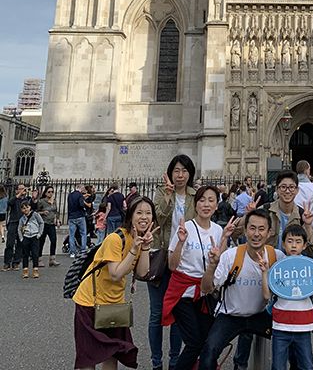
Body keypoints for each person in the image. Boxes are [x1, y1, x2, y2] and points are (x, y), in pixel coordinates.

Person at [72, 196, 156, 370]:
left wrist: (145, 247)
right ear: (130, 215)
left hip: (114, 303)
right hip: (90, 302)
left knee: (112, 354)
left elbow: (142, 272)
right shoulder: (115, 238)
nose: (144, 217)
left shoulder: (138, 239)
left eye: (148, 213)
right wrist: (134, 249)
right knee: (88, 358)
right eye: (139, 212)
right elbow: (115, 274)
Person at [201, 210, 285, 370]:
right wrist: (212, 266)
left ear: (269, 233)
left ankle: (241, 364)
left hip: (261, 314)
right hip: (231, 315)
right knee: (209, 352)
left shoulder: (277, 257)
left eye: (261, 229)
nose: (256, 234)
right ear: (245, 231)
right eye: (252, 228)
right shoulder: (230, 256)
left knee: (292, 341)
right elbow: (206, 289)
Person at [162, 185, 235, 370]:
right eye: (202, 200)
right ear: (195, 205)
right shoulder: (185, 227)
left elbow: (219, 262)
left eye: (211, 200)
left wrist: (225, 238)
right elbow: (172, 266)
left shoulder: (218, 230)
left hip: (204, 293)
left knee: (207, 341)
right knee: (194, 343)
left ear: (217, 205)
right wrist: (180, 242)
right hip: (183, 293)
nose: (206, 204)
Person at [258, 223, 313, 370]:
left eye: (298, 241)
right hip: (280, 324)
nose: (294, 245)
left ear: (304, 245)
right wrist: (265, 272)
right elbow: (266, 295)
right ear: (283, 244)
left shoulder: (309, 267)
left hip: (303, 325)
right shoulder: (278, 267)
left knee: (307, 365)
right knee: (278, 366)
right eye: (290, 241)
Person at [150, 154, 196, 370]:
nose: (180, 175)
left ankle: (175, 361)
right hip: (161, 258)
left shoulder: (195, 196)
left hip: (183, 261)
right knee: (156, 313)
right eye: (176, 170)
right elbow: (158, 219)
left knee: (178, 313)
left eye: (184, 171)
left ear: (190, 173)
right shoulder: (161, 193)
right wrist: (168, 196)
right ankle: (156, 362)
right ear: (170, 173)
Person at [3, 183, 31, 270]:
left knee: (20, 243)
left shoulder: (26, 200)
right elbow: (9, 203)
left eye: (23, 188)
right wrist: (18, 195)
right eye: (20, 188)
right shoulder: (14, 199)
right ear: (17, 190)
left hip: (22, 224)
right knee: (10, 243)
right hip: (13, 222)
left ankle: (16, 262)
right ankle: (7, 262)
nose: (23, 190)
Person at [18, 200, 44, 279]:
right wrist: (21, 238)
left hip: (34, 236)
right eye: (23, 208)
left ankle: (35, 269)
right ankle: (25, 270)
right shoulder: (22, 218)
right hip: (26, 236)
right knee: (25, 254)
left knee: (35, 254)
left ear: (30, 207)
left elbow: (41, 223)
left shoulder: (35, 215)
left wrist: (39, 234)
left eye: (27, 207)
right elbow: (19, 228)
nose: (25, 209)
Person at [37, 185, 61, 267]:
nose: (51, 193)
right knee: (41, 241)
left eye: (52, 192)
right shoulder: (42, 201)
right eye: (49, 192)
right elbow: (36, 212)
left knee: (53, 240)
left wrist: (57, 220)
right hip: (44, 223)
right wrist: (43, 212)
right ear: (45, 193)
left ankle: (52, 259)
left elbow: (56, 211)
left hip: (51, 224)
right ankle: (39, 259)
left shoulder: (54, 201)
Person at [68, 184, 91, 257]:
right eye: (83, 188)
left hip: (71, 216)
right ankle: (83, 250)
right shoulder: (80, 195)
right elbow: (81, 204)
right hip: (80, 216)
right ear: (80, 188)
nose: (84, 190)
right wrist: (84, 209)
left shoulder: (70, 195)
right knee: (83, 233)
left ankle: (72, 252)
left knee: (72, 235)